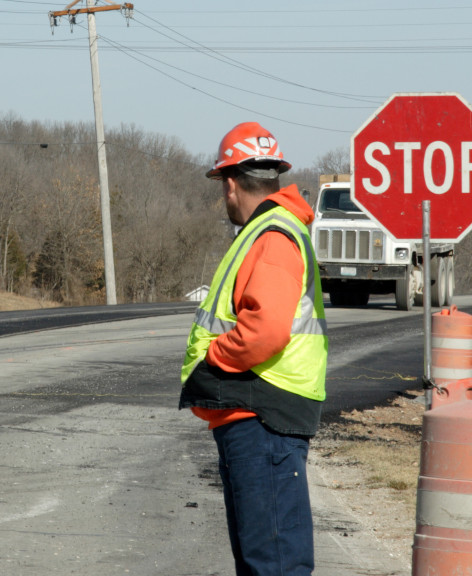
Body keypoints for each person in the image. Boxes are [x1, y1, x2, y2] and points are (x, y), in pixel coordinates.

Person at [179, 122, 328, 576]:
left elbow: (264, 332)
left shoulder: (272, 236)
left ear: (229, 184)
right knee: (261, 560)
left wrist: (214, 359)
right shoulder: (270, 231)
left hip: (262, 416)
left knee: (273, 565)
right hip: (257, 415)